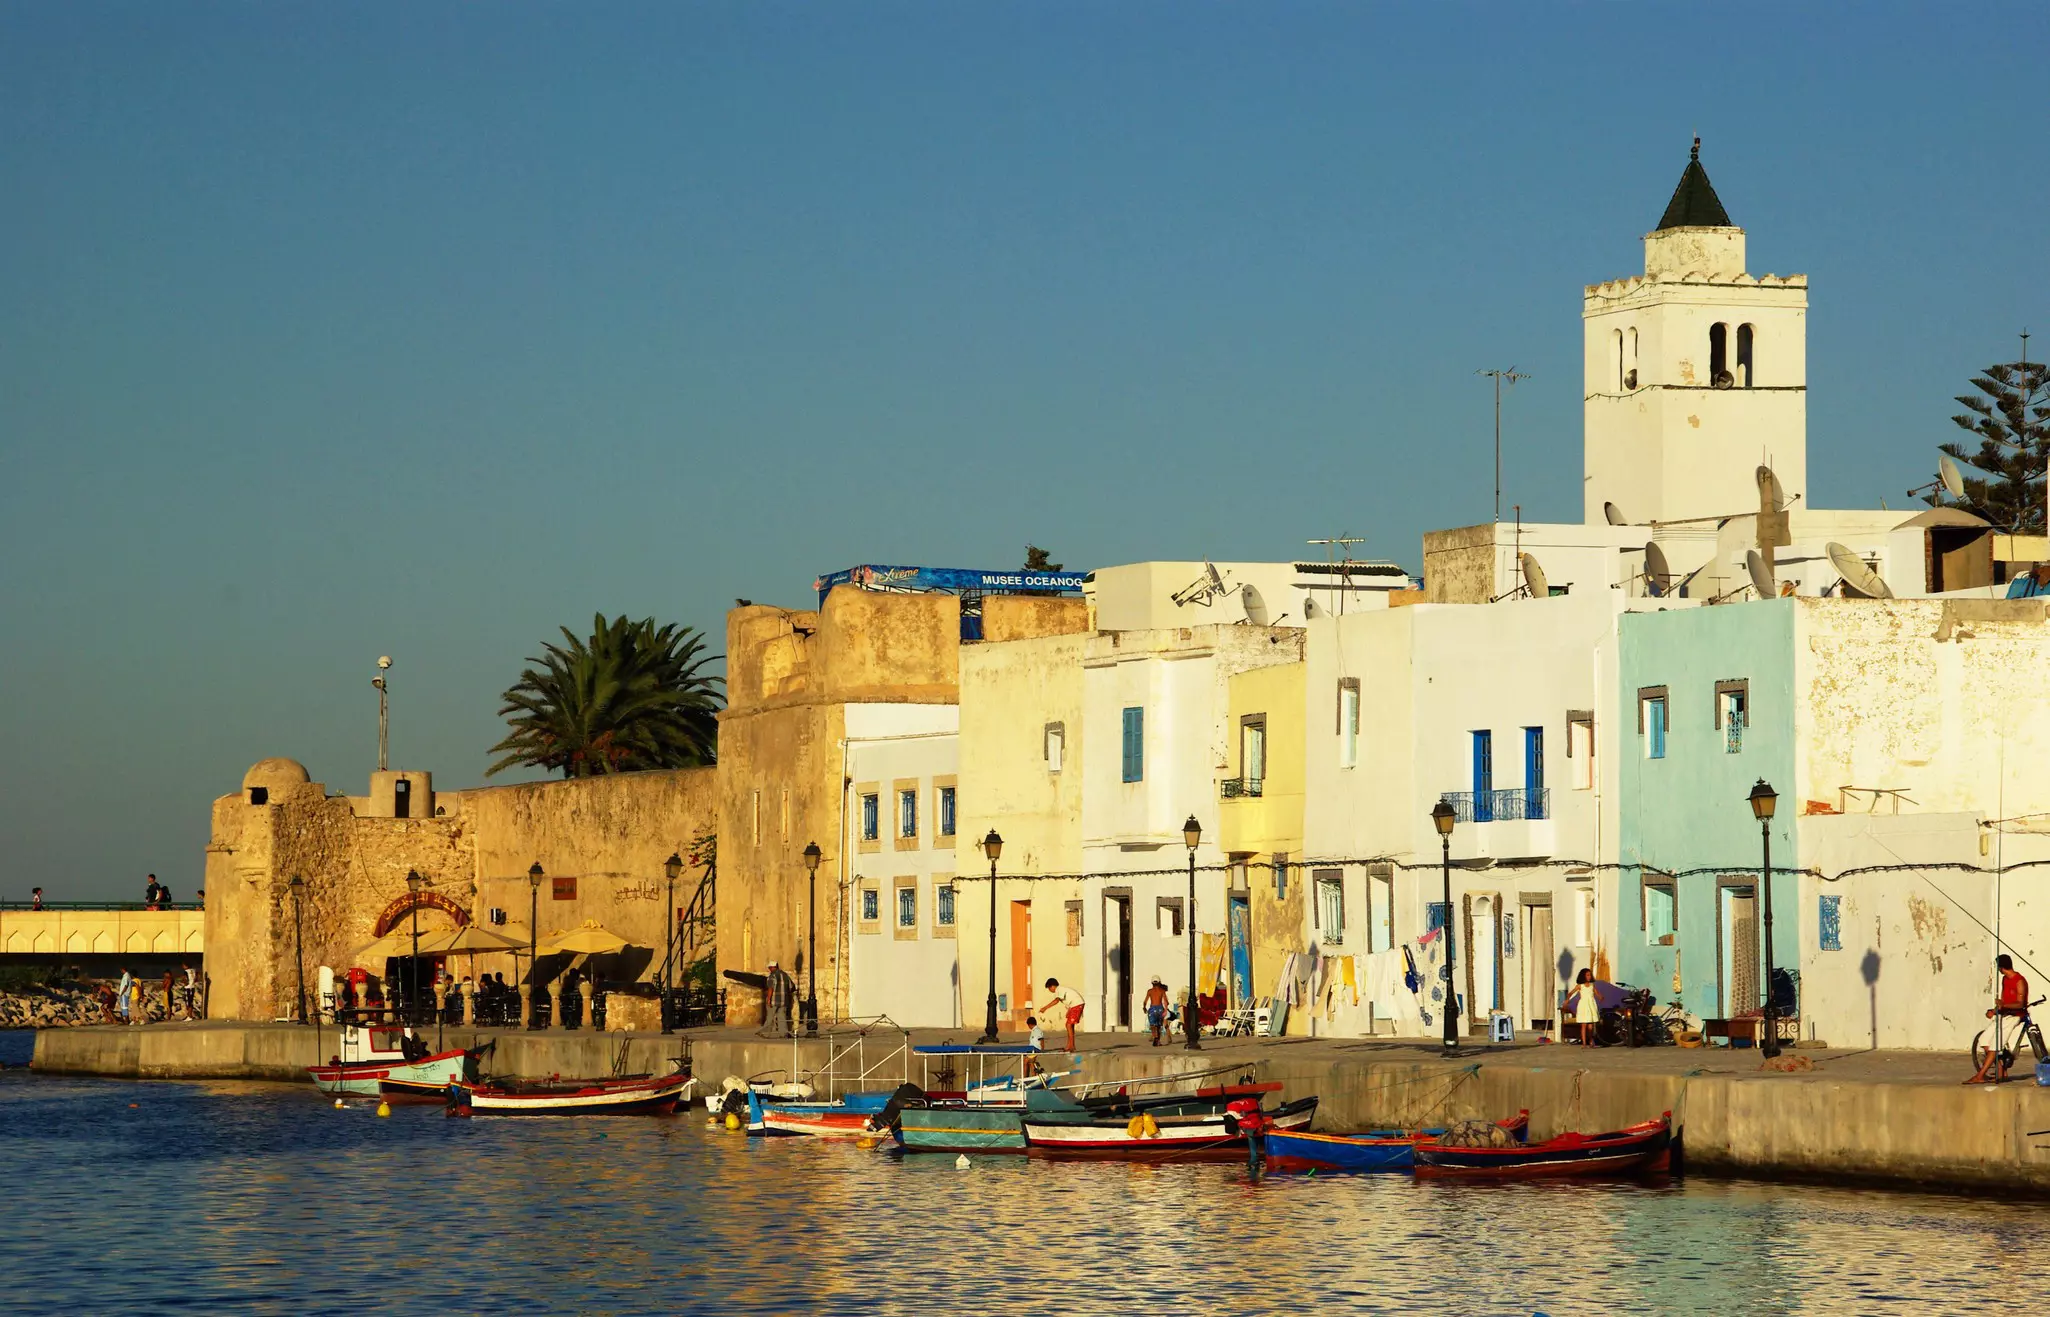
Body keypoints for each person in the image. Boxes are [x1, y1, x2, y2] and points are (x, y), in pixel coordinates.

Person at [1036, 977, 1084, 1052]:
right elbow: (1069, 999)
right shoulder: (1061, 990)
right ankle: (1070, 1045)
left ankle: (1071, 1046)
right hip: (1074, 1005)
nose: (1050, 990)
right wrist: (1069, 1010)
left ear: (1052, 986)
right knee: (1069, 1025)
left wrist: (1045, 1008)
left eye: (1049, 988)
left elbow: (1056, 1001)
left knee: (1068, 1025)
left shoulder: (1059, 989)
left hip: (1077, 1004)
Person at [1991, 954, 2030, 1018]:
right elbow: (2003, 1001)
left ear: (2001, 967)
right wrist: (1993, 1011)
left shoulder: (2019, 981)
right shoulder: (2005, 979)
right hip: (2005, 1014)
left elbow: (2020, 1004)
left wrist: (2003, 1005)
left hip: (2016, 1016)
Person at [1572, 968, 1602, 1045]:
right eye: (1587, 975)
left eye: (1590, 975)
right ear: (1583, 976)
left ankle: (1591, 1039)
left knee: (1590, 1026)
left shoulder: (1592, 985)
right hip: (1583, 1006)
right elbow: (1571, 992)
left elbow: (1597, 993)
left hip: (1591, 1005)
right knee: (1584, 1025)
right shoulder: (1580, 986)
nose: (1589, 977)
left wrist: (1600, 997)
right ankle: (1584, 1043)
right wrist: (1567, 1000)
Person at [1143, 976, 1171, 1046]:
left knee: (1153, 1025)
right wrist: (1165, 1010)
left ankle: (1155, 1037)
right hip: (1160, 1008)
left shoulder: (1150, 991)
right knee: (1159, 1026)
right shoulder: (1162, 991)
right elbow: (1166, 1002)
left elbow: (1145, 1001)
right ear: (1159, 982)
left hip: (1152, 1008)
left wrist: (1144, 1007)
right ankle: (1158, 1040)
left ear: (1152, 983)